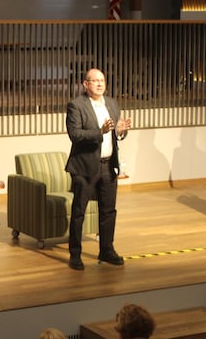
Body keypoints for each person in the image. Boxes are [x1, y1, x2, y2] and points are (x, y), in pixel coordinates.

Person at [65, 68, 130, 270]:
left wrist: (120, 132)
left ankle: (106, 249)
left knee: (109, 210)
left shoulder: (112, 103)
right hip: (84, 167)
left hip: (108, 165)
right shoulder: (76, 105)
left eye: (102, 80)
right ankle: (75, 254)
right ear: (86, 84)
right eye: (95, 81)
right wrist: (99, 132)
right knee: (79, 211)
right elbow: (75, 135)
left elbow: (115, 135)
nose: (100, 84)